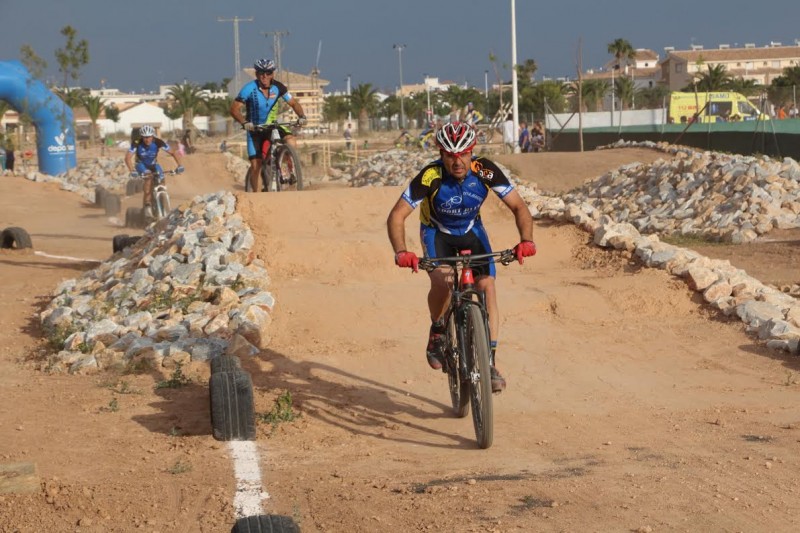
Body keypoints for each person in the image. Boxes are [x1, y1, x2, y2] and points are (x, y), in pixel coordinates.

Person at [386, 121, 536, 393]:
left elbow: (519, 206)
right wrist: (401, 251)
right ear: (440, 154)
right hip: (437, 233)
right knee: (443, 281)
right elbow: (397, 215)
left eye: (463, 153)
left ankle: (489, 361)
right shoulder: (430, 175)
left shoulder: (484, 169)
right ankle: (438, 330)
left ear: (472, 151)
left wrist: (526, 240)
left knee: (487, 286)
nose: (458, 161)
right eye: (450, 155)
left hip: (471, 231)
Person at [230, 58, 307, 192]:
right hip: (255, 130)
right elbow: (234, 109)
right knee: (256, 165)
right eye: (261, 73)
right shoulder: (249, 88)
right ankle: (258, 197)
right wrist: (244, 123)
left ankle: (290, 169)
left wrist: (302, 117)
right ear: (256, 74)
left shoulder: (279, 87)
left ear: (272, 74)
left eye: (268, 73)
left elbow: (293, 103)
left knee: (291, 141)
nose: (264, 76)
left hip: (272, 126)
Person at [125, 125, 184, 220]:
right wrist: (132, 171)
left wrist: (180, 165)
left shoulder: (158, 142)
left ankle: (162, 197)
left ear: (152, 136)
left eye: (149, 137)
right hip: (141, 164)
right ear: (141, 137)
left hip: (153, 164)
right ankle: (147, 205)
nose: (147, 139)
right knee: (148, 178)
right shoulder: (136, 143)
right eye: (144, 137)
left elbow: (173, 152)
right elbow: (128, 158)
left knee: (161, 178)